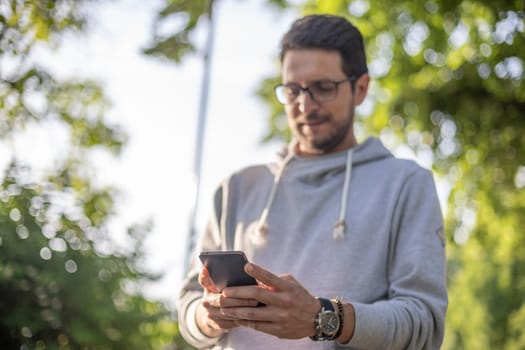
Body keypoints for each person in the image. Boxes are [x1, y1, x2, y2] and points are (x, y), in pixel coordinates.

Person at [177, 14, 447, 350]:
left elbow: (424, 325)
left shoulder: (406, 185)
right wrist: (209, 317)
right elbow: (189, 306)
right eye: (293, 90)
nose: (305, 105)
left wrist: (323, 318)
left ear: (360, 88)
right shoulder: (236, 190)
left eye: (323, 88)